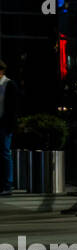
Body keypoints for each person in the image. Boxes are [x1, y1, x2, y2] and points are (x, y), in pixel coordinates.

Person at [0, 61, 19, 192]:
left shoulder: (9, 84)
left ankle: (7, 184)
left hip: (4, 124)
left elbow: (13, 107)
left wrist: (11, 125)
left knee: (4, 153)